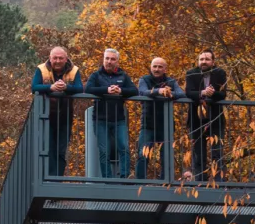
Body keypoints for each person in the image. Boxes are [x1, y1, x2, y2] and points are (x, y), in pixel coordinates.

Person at [30, 45, 82, 177]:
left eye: (60, 58)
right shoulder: (41, 69)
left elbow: (80, 88)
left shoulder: (74, 70)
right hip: (45, 116)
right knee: (49, 149)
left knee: (61, 151)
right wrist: (51, 87)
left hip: (65, 117)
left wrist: (66, 87)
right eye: (55, 58)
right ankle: (49, 178)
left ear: (66, 59)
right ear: (50, 58)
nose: (57, 61)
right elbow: (34, 87)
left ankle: (57, 178)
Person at [85, 48, 137, 179]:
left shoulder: (123, 76)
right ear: (103, 60)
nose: (109, 61)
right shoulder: (96, 75)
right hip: (100, 119)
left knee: (124, 147)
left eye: (112, 59)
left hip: (119, 119)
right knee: (104, 151)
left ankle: (124, 176)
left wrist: (120, 90)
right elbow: (88, 89)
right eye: (107, 58)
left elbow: (134, 91)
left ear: (117, 62)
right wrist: (107, 90)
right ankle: (107, 179)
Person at [183, 49, 227, 179]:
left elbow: (223, 94)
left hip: (215, 119)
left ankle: (219, 183)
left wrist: (212, 93)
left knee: (217, 152)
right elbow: (188, 92)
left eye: (207, 59)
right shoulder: (191, 74)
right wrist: (202, 93)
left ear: (213, 62)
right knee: (198, 154)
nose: (204, 62)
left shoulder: (220, 73)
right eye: (201, 59)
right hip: (196, 120)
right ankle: (200, 182)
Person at [136, 57, 182, 180]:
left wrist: (169, 94)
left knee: (166, 156)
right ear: (151, 67)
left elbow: (181, 94)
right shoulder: (144, 79)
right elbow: (142, 92)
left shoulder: (171, 81)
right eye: (154, 66)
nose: (157, 69)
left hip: (166, 125)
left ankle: (165, 183)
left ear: (165, 69)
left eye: (160, 67)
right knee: (142, 154)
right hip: (148, 124)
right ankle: (140, 183)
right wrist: (158, 91)